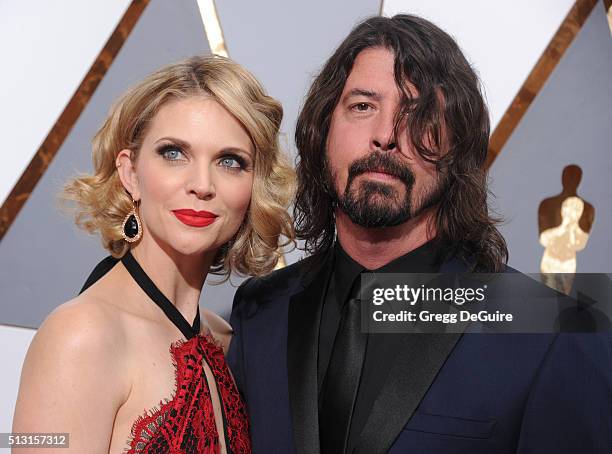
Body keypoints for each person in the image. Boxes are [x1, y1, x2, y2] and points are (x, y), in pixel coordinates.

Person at [227, 15, 612, 453]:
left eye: (419, 113)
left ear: (458, 145)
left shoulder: (555, 334)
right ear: (323, 131)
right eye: (362, 106)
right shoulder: (261, 313)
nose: (386, 136)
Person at [12, 55, 295, 453]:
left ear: (254, 186)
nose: (201, 184)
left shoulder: (226, 341)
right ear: (130, 173)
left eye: (230, 161)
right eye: (174, 153)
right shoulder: (80, 337)